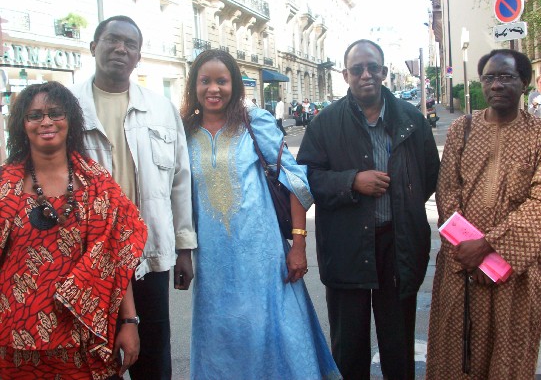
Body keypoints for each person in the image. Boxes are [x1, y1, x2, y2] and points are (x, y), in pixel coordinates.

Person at [181, 49, 341, 380]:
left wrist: (298, 244)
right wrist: (183, 253)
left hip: (263, 258)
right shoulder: (183, 132)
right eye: (205, 81)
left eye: (222, 81)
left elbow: (294, 179)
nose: (214, 88)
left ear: (234, 84)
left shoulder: (255, 122)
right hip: (212, 263)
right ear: (193, 86)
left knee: (271, 335)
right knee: (220, 338)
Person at [297, 39, 440, 380]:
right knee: (349, 346)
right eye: (357, 69)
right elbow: (306, 179)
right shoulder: (325, 123)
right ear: (345, 74)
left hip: (398, 246)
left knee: (398, 344)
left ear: (384, 72)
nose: (366, 75)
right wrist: (352, 182)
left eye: (373, 67)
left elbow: (430, 176)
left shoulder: (411, 119)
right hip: (346, 247)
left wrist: (402, 205)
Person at [69, 15, 197, 380]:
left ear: (139, 56)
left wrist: (184, 248)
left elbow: (180, 181)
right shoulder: (69, 108)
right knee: (95, 355)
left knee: (153, 354)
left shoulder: (160, 109)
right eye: (112, 40)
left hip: (149, 252)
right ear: (94, 47)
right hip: (88, 257)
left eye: (131, 44)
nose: (121, 49)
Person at [0, 81, 147, 379]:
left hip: (85, 338)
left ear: (71, 120)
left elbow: (117, 258)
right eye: (35, 115)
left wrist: (130, 322)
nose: (46, 122)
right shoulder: (4, 186)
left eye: (56, 113)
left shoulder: (98, 184)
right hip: (14, 342)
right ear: (21, 124)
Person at [426, 49, 541, 379]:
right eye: (489, 78)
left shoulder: (537, 134)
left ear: (524, 82)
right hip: (462, 268)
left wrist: (491, 251)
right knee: (457, 354)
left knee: (508, 356)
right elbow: (447, 192)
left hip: (515, 271)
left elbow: (538, 204)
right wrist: (469, 254)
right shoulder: (462, 128)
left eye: (506, 77)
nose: (497, 85)